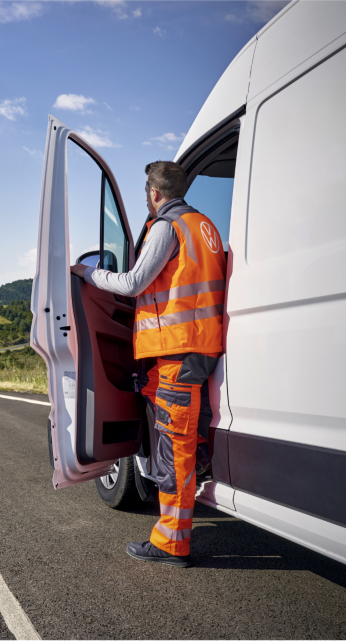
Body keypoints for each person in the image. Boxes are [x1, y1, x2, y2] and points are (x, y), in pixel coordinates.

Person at [70, 161, 226, 568]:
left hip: (178, 349)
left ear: (155, 193)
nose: (146, 199)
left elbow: (133, 283)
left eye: (145, 193)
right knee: (185, 439)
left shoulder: (166, 227)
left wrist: (87, 273)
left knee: (175, 449)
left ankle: (172, 543)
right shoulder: (206, 227)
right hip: (200, 347)